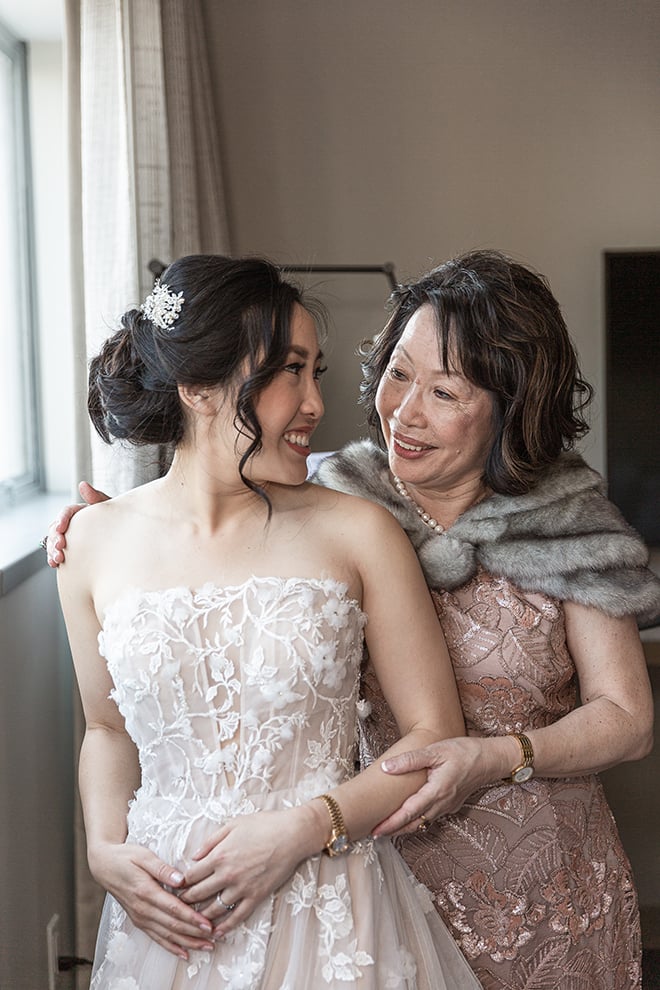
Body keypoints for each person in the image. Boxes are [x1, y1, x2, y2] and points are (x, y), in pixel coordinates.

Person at [48, 250, 659, 989]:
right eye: (398, 374)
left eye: (445, 392)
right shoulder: (334, 492)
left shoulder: (566, 530)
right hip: (359, 880)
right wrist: (112, 532)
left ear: (509, 405)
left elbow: (627, 717)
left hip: (530, 885)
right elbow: (201, 575)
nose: (404, 412)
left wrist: (499, 756)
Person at [54, 254, 481, 990]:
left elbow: (434, 732)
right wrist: (101, 847)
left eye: (316, 372)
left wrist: (307, 826)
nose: (315, 403)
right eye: (290, 371)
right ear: (198, 388)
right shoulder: (90, 542)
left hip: (327, 904)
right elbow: (106, 730)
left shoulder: (358, 532)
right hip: (168, 915)